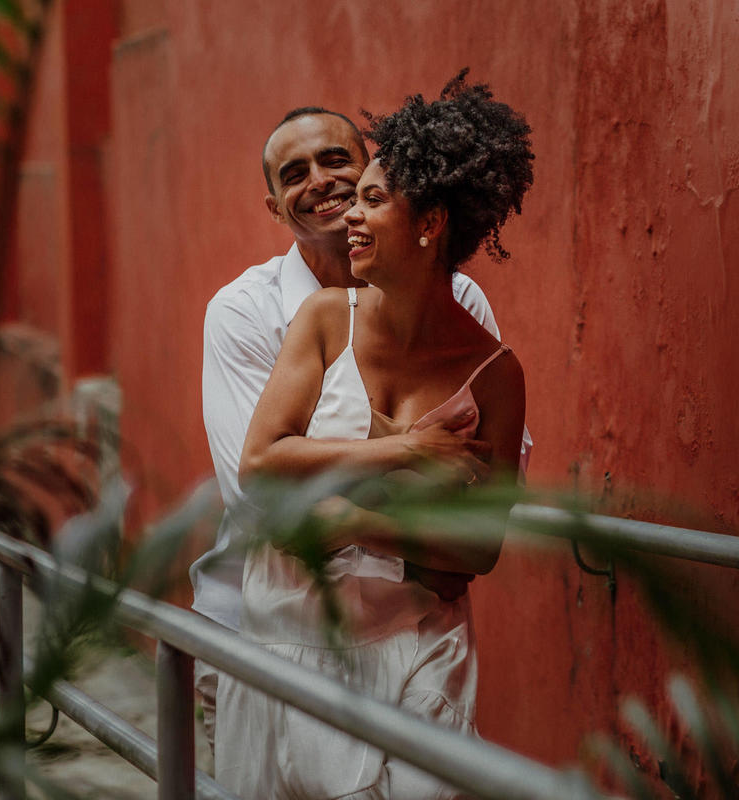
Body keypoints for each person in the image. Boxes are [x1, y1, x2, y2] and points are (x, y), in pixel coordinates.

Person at [214, 74, 534, 800]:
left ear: (429, 224)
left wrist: (346, 517)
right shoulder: (324, 318)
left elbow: (474, 551)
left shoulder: (494, 370)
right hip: (298, 636)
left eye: (369, 197)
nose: (347, 215)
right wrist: (407, 457)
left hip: (425, 645)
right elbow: (264, 469)